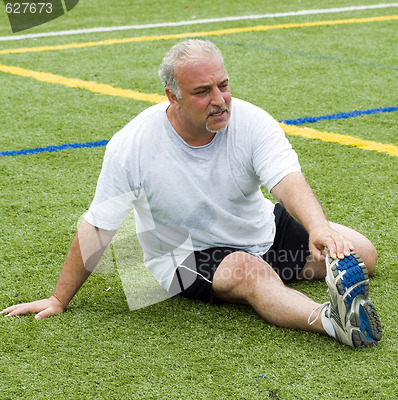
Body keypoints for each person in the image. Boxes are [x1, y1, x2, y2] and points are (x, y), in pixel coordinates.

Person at [1, 39, 382, 348]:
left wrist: (318, 229)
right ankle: (332, 322)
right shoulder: (132, 144)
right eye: (202, 91)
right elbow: (98, 227)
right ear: (173, 96)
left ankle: (282, 277)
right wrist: (57, 299)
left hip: (257, 231)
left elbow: (286, 180)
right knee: (251, 274)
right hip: (180, 255)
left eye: (224, 85)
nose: (219, 99)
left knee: (362, 253)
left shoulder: (252, 121)